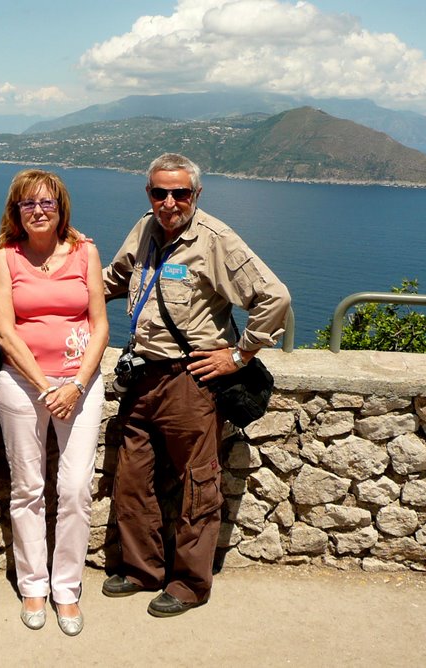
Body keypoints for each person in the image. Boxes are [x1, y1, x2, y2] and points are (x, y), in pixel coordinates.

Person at [100, 153, 290, 617]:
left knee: (196, 485)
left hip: (191, 380)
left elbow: (275, 297)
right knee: (131, 476)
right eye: (159, 192)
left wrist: (239, 354)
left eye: (179, 193)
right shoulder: (145, 228)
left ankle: (189, 582)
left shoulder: (215, 240)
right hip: (142, 374)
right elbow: (116, 278)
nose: (169, 202)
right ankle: (142, 569)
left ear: (196, 194)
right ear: (148, 194)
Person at [0, 170, 108, 636]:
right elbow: (4, 330)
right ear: (16, 211)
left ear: (61, 209)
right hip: (23, 384)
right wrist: (44, 386)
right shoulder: (5, 257)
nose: (39, 210)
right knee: (28, 488)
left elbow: (99, 325)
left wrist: (75, 385)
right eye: (28, 204)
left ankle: (67, 587)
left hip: (80, 384)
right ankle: (33, 584)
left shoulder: (86, 251)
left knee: (77, 488)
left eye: (48, 203)